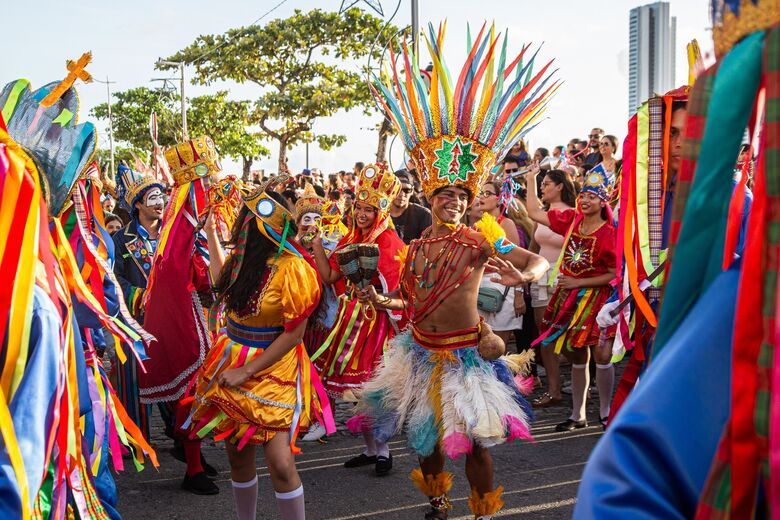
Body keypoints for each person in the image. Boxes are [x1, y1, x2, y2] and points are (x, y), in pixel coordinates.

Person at [359, 26, 553, 519]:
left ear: (469, 203)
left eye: (461, 197)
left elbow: (537, 261)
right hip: (421, 352)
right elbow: (410, 301)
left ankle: (483, 512)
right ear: (432, 198)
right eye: (445, 195)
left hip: (467, 355)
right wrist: (383, 303)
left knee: (477, 445)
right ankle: (439, 504)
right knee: (424, 442)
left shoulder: (482, 238)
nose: (454, 202)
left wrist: (525, 278)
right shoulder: (417, 247)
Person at [189, 179, 335, 520]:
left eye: (250, 222)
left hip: (274, 366)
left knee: (280, 463)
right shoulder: (243, 261)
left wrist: (247, 371)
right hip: (232, 356)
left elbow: (294, 336)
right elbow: (220, 283)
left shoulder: (293, 268)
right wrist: (210, 234)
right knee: (237, 455)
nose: (243, 227)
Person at [309, 163, 405, 475]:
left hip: (377, 325)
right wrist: (316, 245)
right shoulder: (350, 237)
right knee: (353, 392)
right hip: (349, 322)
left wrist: (377, 297)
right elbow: (329, 276)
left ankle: (384, 450)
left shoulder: (389, 242)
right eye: (359, 208)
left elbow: (399, 290)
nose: (362, 215)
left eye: (368, 210)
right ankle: (370, 449)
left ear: (381, 211)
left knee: (372, 389)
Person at [140, 136, 222, 495]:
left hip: (187, 310)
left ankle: (193, 454)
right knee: (193, 386)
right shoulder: (181, 225)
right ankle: (192, 467)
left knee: (195, 387)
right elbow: (183, 269)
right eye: (207, 181)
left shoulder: (181, 226)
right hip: (181, 316)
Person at [526, 163, 617, 432]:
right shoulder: (572, 221)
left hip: (596, 300)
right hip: (568, 297)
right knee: (575, 353)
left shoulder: (609, 234)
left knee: (601, 354)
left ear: (603, 202)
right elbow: (533, 212)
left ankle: (606, 412)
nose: (586, 200)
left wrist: (580, 282)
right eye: (583, 195)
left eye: (593, 197)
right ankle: (578, 414)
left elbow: (614, 274)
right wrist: (531, 179)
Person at [112, 165, 165, 439]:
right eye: (152, 198)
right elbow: (114, 278)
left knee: (172, 375)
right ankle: (138, 440)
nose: (160, 203)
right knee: (133, 381)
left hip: (168, 320)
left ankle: (182, 440)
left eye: (161, 197)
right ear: (138, 205)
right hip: (134, 322)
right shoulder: (120, 240)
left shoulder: (171, 235)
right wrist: (140, 296)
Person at [528, 169, 578, 409]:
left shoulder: (574, 215)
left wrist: (529, 179)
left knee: (568, 335)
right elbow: (533, 248)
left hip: (564, 279)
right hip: (541, 278)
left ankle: (581, 382)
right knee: (544, 334)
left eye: (546, 183)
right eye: (541, 184)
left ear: (560, 186)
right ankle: (554, 389)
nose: (542, 187)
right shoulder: (543, 215)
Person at [476, 180, 524, 345]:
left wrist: (518, 295)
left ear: (499, 199)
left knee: (498, 345)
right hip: (480, 288)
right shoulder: (477, 226)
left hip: (503, 286)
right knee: (480, 343)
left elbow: (517, 262)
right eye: (481, 193)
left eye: (487, 193)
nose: (482, 197)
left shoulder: (506, 224)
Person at [390, 170, 432, 243]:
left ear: (412, 191)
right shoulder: (380, 214)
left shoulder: (424, 215)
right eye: (397, 189)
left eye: (407, 190)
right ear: (390, 189)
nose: (402, 194)